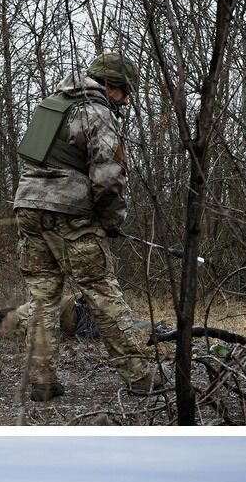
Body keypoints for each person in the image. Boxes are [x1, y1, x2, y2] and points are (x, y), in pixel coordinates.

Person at [12, 52, 164, 401]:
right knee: (102, 292)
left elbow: (32, 159)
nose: (126, 101)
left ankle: (41, 381)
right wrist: (111, 221)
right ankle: (140, 376)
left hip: (28, 207)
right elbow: (108, 177)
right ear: (115, 87)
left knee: (42, 298)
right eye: (126, 93)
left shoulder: (51, 105)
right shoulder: (97, 111)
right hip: (71, 214)